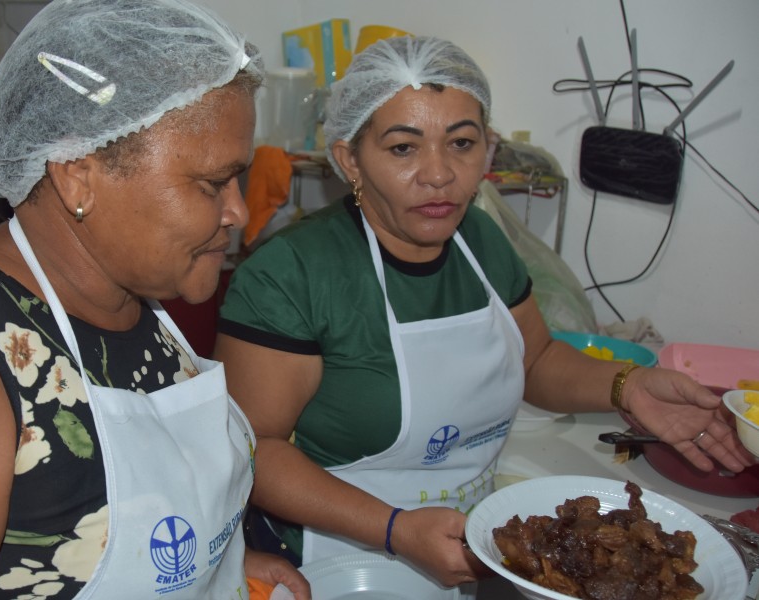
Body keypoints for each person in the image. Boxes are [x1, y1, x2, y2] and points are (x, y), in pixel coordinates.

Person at [214, 35, 754, 596]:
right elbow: (257, 452)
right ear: (350, 157)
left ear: (487, 150)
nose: (439, 174)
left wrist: (628, 386)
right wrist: (396, 530)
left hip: (483, 538)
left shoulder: (480, 240)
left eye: (462, 143)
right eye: (403, 148)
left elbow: (537, 358)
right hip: (336, 555)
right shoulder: (291, 274)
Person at [0, 1, 309, 599]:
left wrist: (228, 565)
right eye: (210, 184)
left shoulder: (133, 299)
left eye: (239, 179)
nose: (235, 212)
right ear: (78, 176)